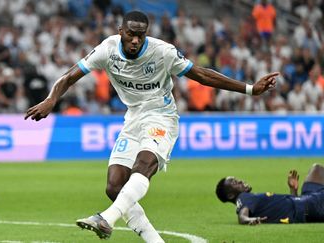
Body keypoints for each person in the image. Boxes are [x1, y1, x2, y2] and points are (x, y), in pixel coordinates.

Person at [25, 10, 278, 242]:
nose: (135, 40)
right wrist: (51, 99)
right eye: (131, 34)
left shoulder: (163, 52)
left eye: (140, 35)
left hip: (161, 117)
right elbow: (69, 76)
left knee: (144, 164)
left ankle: (106, 219)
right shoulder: (107, 49)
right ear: (120, 31)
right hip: (133, 118)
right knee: (114, 186)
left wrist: (249, 89)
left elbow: (202, 75)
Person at [215, 163, 324, 225]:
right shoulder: (243, 198)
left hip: (304, 200)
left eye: (236, 179)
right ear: (230, 196)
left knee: (316, 169)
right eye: (235, 183)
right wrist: (250, 220)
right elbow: (242, 216)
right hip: (310, 206)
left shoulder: (252, 200)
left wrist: (293, 190)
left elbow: (288, 207)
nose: (239, 181)